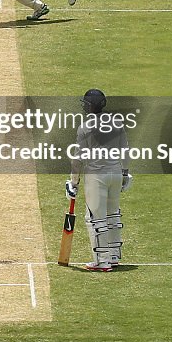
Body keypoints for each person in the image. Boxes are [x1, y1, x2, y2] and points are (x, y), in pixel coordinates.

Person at [65, 89, 133, 271]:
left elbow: (78, 159)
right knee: (112, 213)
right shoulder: (117, 123)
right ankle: (113, 256)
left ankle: (102, 262)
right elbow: (125, 151)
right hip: (116, 174)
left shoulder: (85, 127)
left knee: (95, 218)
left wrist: (73, 182)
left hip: (96, 176)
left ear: (88, 106)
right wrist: (125, 173)